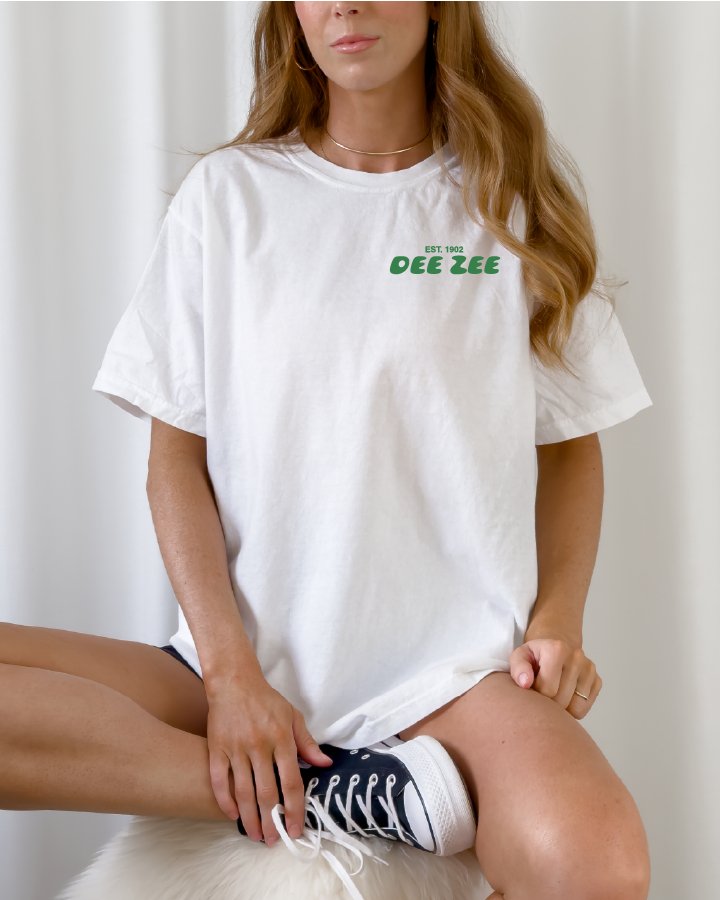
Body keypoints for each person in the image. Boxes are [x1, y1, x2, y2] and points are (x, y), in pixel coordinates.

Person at [0, 3, 653, 898]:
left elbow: (571, 445)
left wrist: (558, 623)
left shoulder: (512, 203)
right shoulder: (228, 197)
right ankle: (339, 794)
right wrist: (231, 678)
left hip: (453, 681)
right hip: (241, 659)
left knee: (599, 868)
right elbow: (174, 463)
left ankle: (342, 784)